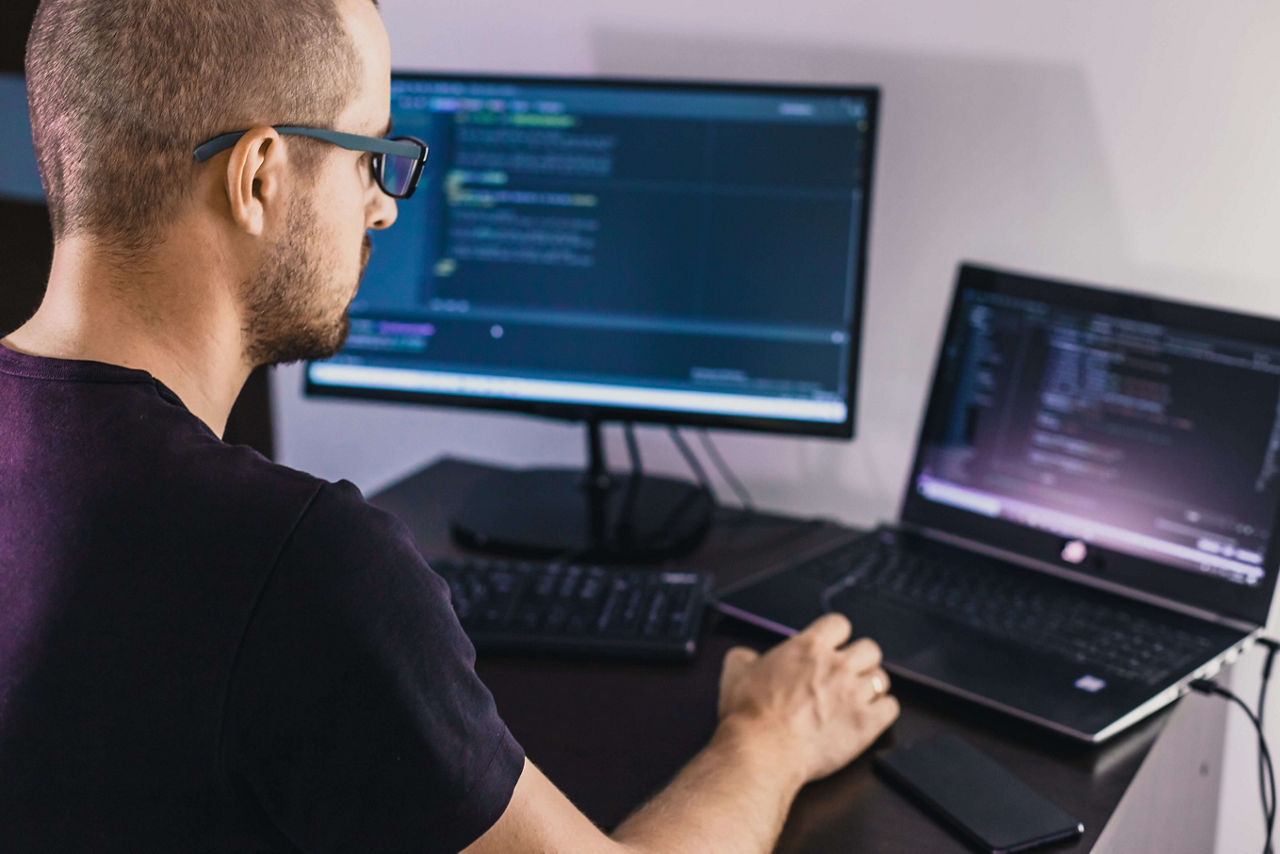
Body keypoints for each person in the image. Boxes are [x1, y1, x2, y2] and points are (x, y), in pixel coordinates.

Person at [0, 0, 899, 850]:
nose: (385, 205)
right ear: (261, 176)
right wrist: (769, 736)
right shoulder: (300, 564)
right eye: (368, 155)